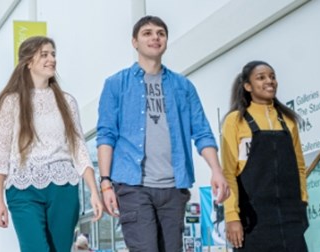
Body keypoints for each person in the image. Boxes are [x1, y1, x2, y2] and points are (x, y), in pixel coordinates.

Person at [95, 15, 230, 252]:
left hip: (174, 188)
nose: (155, 37)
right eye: (147, 33)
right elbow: (106, 135)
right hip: (133, 186)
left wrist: (216, 171)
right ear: (134, 42)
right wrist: (105, 183)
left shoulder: (183, 86)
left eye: (160, 33)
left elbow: (202, 132)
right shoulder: (116, 84)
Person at [0, 36, 103, 251]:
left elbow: (79, 149)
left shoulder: (67, 102)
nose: (51, 59)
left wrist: (94, 192)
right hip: (23, 189)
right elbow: (0, 155)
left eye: (53, 54)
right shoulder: (10, 102)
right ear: (28, 62)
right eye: (44, 54)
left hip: (64, 188)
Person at [221, 60, 308, 251]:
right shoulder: (235, 121)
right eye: (261, 78)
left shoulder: (288, 121)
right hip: (253, 220)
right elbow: (228, 173)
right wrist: (232, 216)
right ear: (248, 86)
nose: (269, 81)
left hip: (291, 218)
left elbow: (300, 167)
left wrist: (303, 203)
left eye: (272, 76)